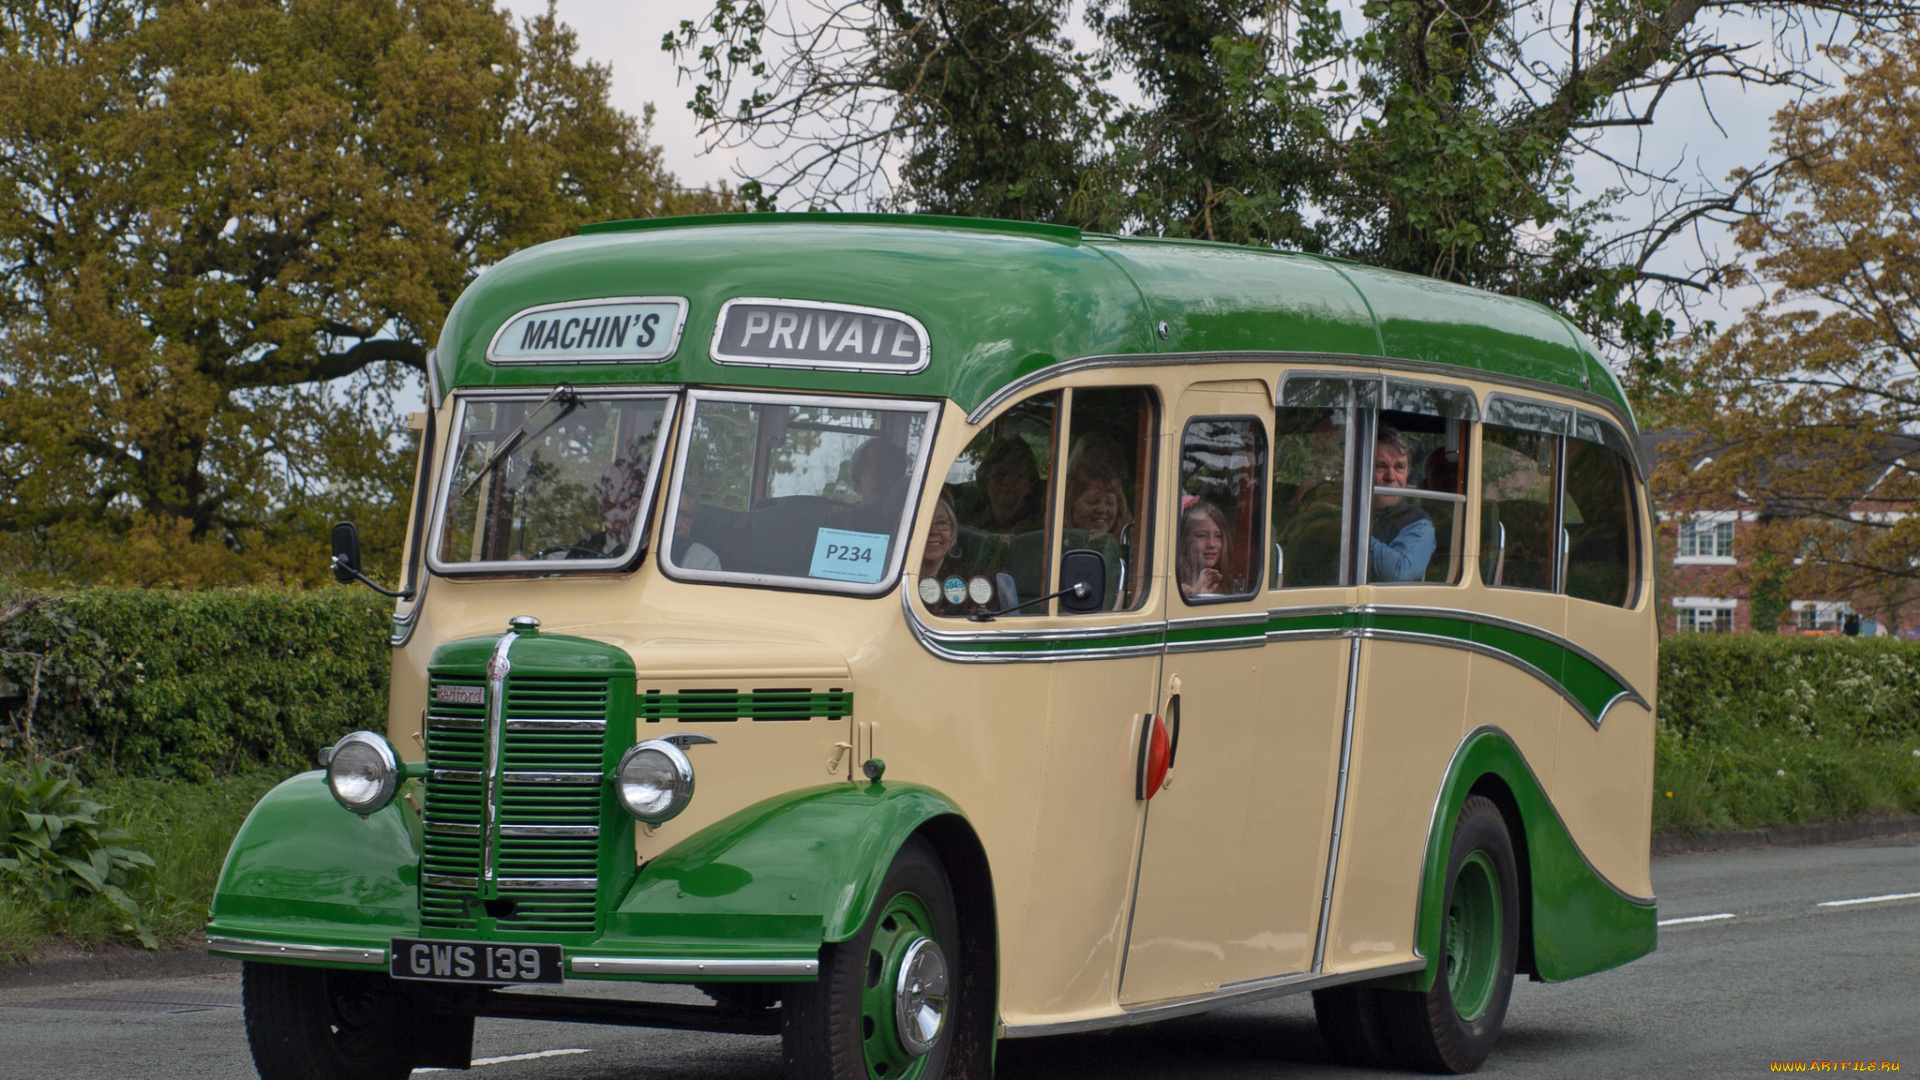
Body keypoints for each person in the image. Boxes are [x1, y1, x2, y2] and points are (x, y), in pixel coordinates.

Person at [1370, 426, 1435, 582]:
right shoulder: (1350, 509)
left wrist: (1348, 534)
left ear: (1407, 473)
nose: (1391, 477)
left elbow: (1400, 571)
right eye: (1381, 466)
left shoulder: (1419, 523)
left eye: (1399, 467)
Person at [976, 436, 1046, 534]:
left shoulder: (1044, 529)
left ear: (1030, 485)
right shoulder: (966, 518)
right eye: (1000, 474)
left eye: (1017, 475)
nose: (1007, 481)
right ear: (985, 480)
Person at [1064, 445, 1132, 537]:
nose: (1102, 509)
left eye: (1109, 502)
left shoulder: (1134, 547)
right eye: (1092, 501)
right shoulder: (1052, 544)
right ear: (1070, 503)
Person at [1178, 498, 1239, 598]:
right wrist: (1193, 594)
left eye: (1218, 536)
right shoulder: (1173, 584)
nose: (1211, 544)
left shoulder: (1231, 586)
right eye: (1201, 535)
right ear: (1184, 539)